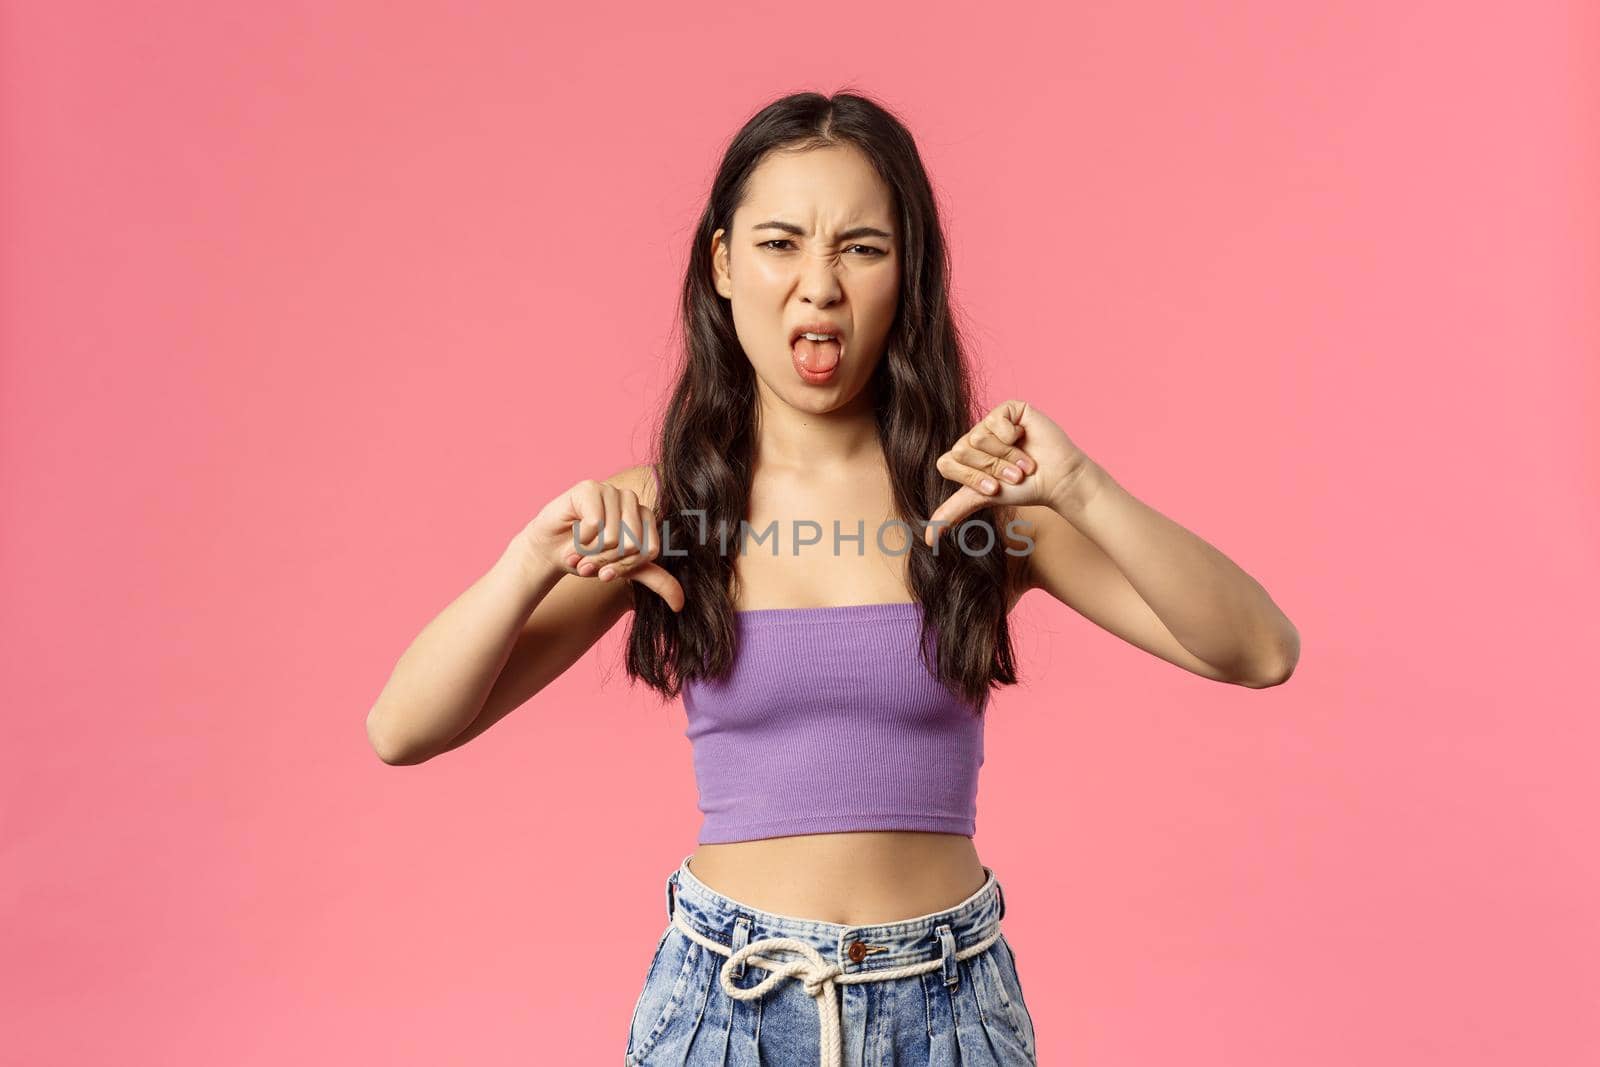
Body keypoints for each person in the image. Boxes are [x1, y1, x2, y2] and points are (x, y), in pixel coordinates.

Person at [365, 90, 1300, 1067]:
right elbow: (403, 728)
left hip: (949, 1005)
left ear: (908, 273)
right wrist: (525, 563)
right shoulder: (664, 514)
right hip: (727, 1006)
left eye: (861, 247)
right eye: (779, 243)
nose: (819, 285)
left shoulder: (977, 508)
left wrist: (1078, 486)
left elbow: (1259, 649)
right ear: (723, 264)